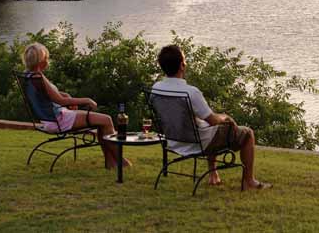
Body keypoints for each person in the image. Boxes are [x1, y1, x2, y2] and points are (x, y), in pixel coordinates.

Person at [152, 45, 271, 190]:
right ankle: (249, 181)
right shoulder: (191, 92)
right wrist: (226, 117)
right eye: (185, 60)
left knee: (208, 127)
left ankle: (213, 174)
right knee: (247, 133)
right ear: (182, 66)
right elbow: (213, 120)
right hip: (197, 143)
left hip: (173, 141)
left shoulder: (156, 88)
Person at [22, 43, 130, 169]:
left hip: (49, 119)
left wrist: (66, 95)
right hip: (59, 120)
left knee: (102, 122)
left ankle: (110, 161)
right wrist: (87, 100)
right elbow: (60, 101)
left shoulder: (28, 75)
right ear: (40, 61)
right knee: (106, 120)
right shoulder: (38, 77)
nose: (48, 61)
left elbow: (48, 95)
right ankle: (120, 160)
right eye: (46, 58)